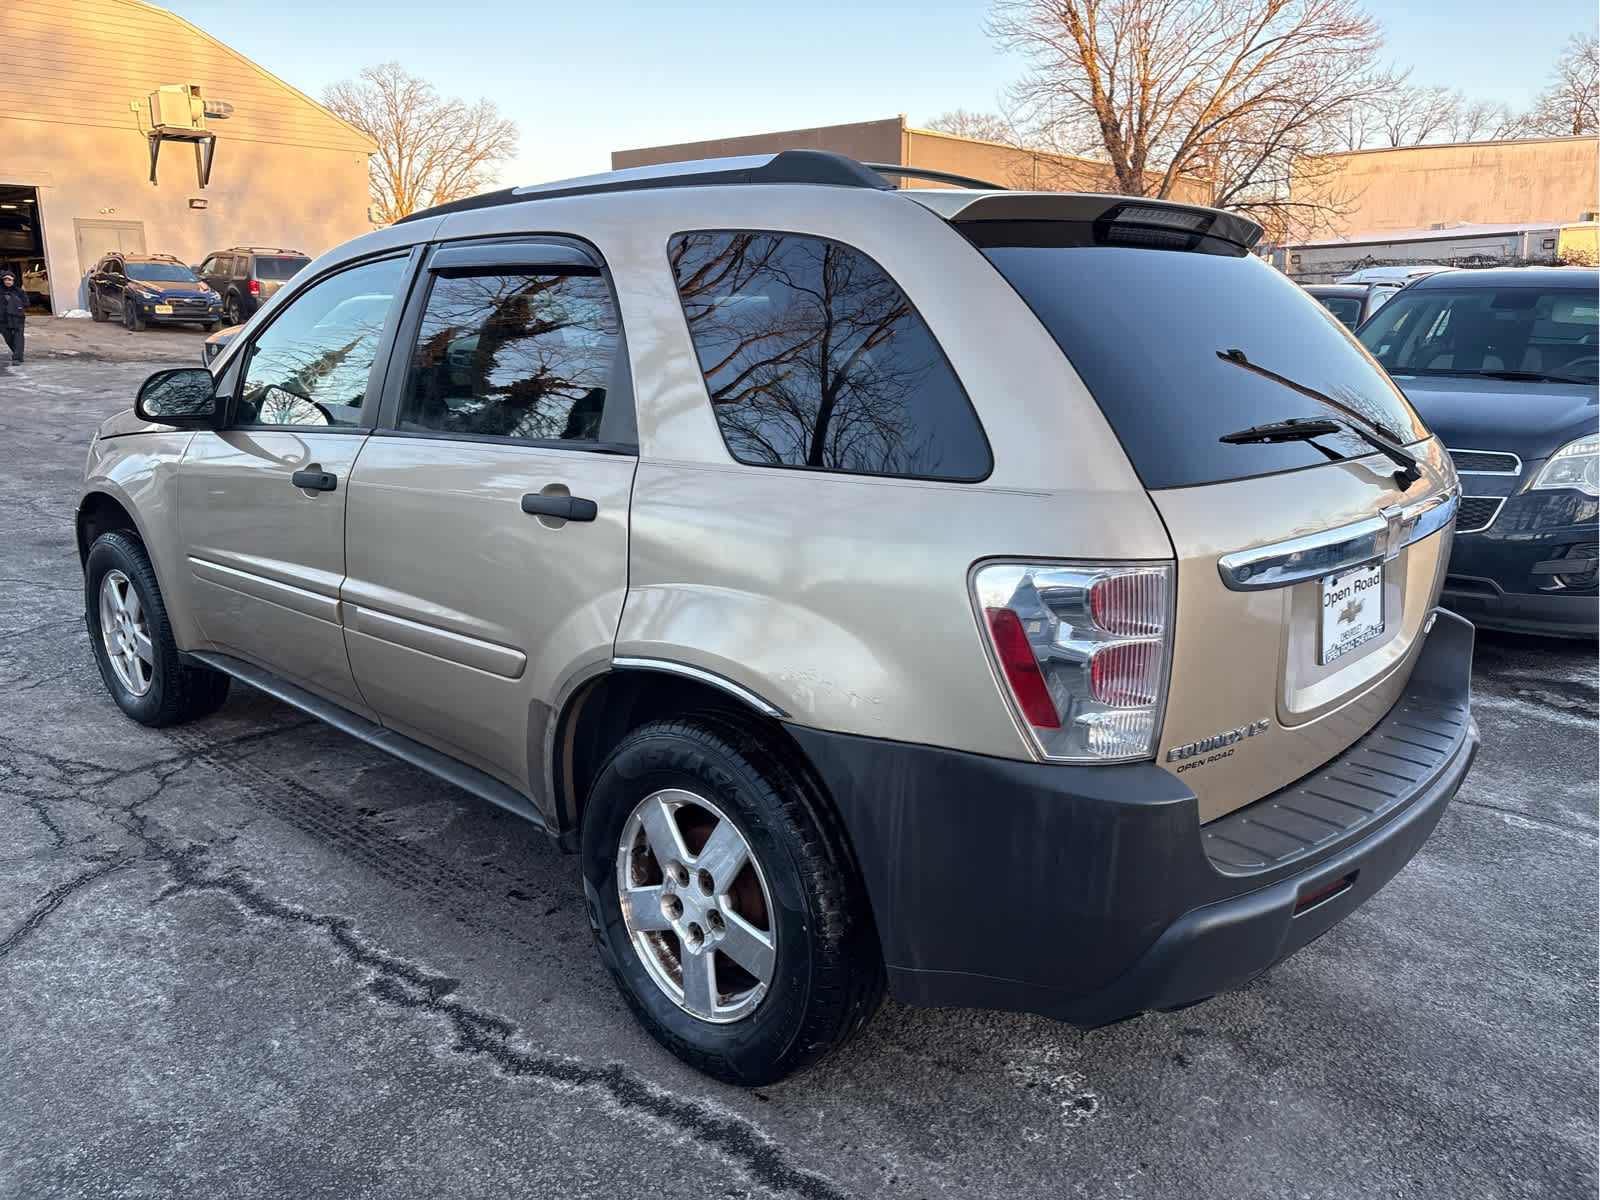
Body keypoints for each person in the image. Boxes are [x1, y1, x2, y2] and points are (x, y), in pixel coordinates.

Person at [0, 270, 24, 364]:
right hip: (3, 319)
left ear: (13, 281)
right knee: (8, 338)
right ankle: (17, 353)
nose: (7, 282)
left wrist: (13, 299)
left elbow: (26, 303)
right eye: (5, 279)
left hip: (17, 318)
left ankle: (17, 357)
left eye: (10, 280)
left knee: (18, 338)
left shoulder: (19, 291)